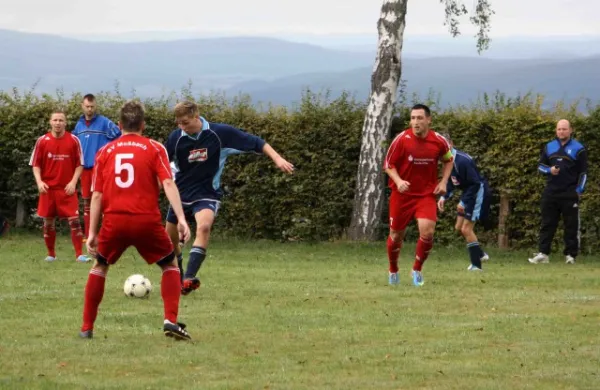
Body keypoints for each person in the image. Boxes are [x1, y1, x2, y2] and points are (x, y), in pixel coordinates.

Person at [81, 100, 192, 340]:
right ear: (143, 125)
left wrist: (92, 232)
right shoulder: (154, 148)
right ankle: (170, 321)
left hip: (114, 221)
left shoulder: (105, 152)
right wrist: (181, 218)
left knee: (100, 266)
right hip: (146, 221)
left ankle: (87, 328)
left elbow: (97, 194)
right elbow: (168, 183)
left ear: (119, 125)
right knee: (170, 264)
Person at [165, 101, 294, 295]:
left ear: (196, 116)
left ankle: (188, 278)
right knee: (170, 240)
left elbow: (257, 143)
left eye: (186, 122)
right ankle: (180, 273)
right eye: (179, 123)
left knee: (204, 226)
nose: (182, 127)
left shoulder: (219, 134)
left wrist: (277, 159)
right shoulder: (176, 138)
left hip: (207, 193)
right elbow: (161, 161)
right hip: (181, 194)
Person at [383, 104, 454, 286]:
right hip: (402, 195)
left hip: (425, 195)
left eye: (419, 118)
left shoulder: (438, 141)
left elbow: (449, 160)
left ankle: (416, 270)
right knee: (396, 235)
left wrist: (444, 181)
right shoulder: (401, 139)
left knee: (428, 231)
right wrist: (399, 181)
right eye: (413, 118)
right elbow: (388, 165)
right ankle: (393, 270)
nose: (415, 122)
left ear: (428, 120)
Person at [29, 110, 90, 263]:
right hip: (48, 189)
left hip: (67, 189)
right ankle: (51, 255)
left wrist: (73, 182)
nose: (57, 123)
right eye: (55, 120)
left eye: (60, 120)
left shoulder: (73, 140)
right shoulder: (42, 141)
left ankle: (79, 255)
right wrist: (39, 182)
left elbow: (80, 164)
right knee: (48, 221)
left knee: (74, 221)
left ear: (65, 122)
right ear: (50, 122)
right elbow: (36, 165)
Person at [529, 119, 587, 265]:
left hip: (569, 193)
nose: (562, 131)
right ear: (556, 130)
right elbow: (540, 167)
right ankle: (543, 253)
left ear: (570, 130)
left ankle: (570, 255)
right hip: (551, 192)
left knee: (571, 225)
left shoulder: (579, 148)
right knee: (547, 223)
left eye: (564, 129)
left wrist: (579, 190)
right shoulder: (549, 146)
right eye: (559, 129)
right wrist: (550, 170)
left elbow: (584, 173)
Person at [436, 134, 491, 271]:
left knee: (466, 229)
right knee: (459, 227)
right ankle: (481, 254)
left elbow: (475, 184)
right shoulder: (446, 162)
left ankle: (477, 265)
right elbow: (450, 182)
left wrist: (463, 201)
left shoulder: (462, 161)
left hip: (477, 193)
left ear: (451, 144)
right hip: (468, 193)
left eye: (445, 146)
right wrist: (443, 197)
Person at [72, 94, 121, 240]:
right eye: (87, 106)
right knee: (87, 201)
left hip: (101, 168)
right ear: (82, 105)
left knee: (105, 201)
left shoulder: (104, 122)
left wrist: (108, 154)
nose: (90, 109)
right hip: (85, 169)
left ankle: (107, 235)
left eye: (92, 106)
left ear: (96, 106)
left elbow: (118, 137)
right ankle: (89, 235)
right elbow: (74, 145)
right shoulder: (79, 125)